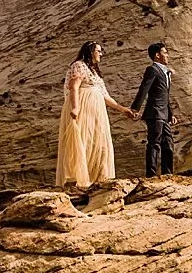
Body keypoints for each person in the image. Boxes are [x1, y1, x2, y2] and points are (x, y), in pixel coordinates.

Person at [57, 42, 136, 189]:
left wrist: (122, 109)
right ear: (90, 51)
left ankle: (97, 179)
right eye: (98, 51)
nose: (101, 54)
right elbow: (74, 87)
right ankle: (78, 180)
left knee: (98, 144)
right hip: (83, 108)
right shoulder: (79, 65)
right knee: (83, 141)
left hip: (96, 113)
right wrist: (75, 107)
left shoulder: (94, 72)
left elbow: (106, 96)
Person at [131, 42, 176, 177]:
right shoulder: (152, 69)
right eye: (165, 53)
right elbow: (144, 88)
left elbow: (165, 95)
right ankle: (151, 175)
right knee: (154, 143)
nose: (167, 55)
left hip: (164, 114)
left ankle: (168, 174)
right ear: (157, 55)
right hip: (155, 112)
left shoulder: (165, 72)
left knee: (168, 143)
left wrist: (171, 114)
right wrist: (135, 108)